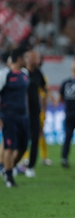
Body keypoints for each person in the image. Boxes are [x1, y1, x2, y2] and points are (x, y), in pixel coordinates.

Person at [0, 47, 30, 187]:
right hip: (8, 116)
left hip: (23, 117)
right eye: (25, 57)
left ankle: (8, 169)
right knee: (9, 146)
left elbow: (25, 95)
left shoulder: (24, 73)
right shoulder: (4, 74)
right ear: (19, 58)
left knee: (23, 146)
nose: (27, 60)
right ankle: (9, 176)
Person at [25, 50, 47, 178]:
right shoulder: (22, 73)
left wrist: (45, 107)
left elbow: (44, 89)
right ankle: (14, 163)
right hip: (21, 112)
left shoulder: (38, 73)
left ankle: (30, 166)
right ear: (28, 59)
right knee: (20, 139)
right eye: (35, 58)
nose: (38, 60)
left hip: (35, 112)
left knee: (34, 139)